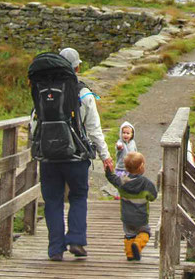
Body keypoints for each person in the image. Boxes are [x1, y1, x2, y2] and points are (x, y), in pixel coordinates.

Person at [37, 47, 113, 262]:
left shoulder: (43, 90)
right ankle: (77, 240)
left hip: (48, 157)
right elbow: (94, 129)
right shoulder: (84, 93)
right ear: (78, 67)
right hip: (76, 156)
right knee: (78, 196)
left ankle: (55, 249)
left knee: (52, 201)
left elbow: (34, 123)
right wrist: (104, 155)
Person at [104, 151, 158, 261]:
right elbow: (153, 197)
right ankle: (137, 245)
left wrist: (108, 170)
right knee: (145, 232)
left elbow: (112, 178)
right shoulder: (146, 183)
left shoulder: (122, 182)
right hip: (141, 217)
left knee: (129, 235)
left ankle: (129, 254)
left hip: (126, 217)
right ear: (142, 166)